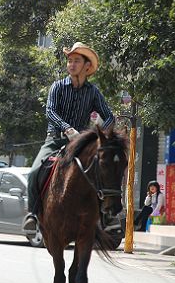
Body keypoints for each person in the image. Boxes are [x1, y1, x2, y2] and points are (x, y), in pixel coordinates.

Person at [23, 42, 115, 232]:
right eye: (70, 61)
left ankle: (107, 215)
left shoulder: (93, 92)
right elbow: (50, 112)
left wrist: (99, 137)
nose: (71, 64)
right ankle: (32, 213)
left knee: (103, 169)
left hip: (81, 144)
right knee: (34, 172)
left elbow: (110, 118)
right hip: (55, 139)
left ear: (86, 66)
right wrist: (67, 128)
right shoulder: (57, 87)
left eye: (76, 61)